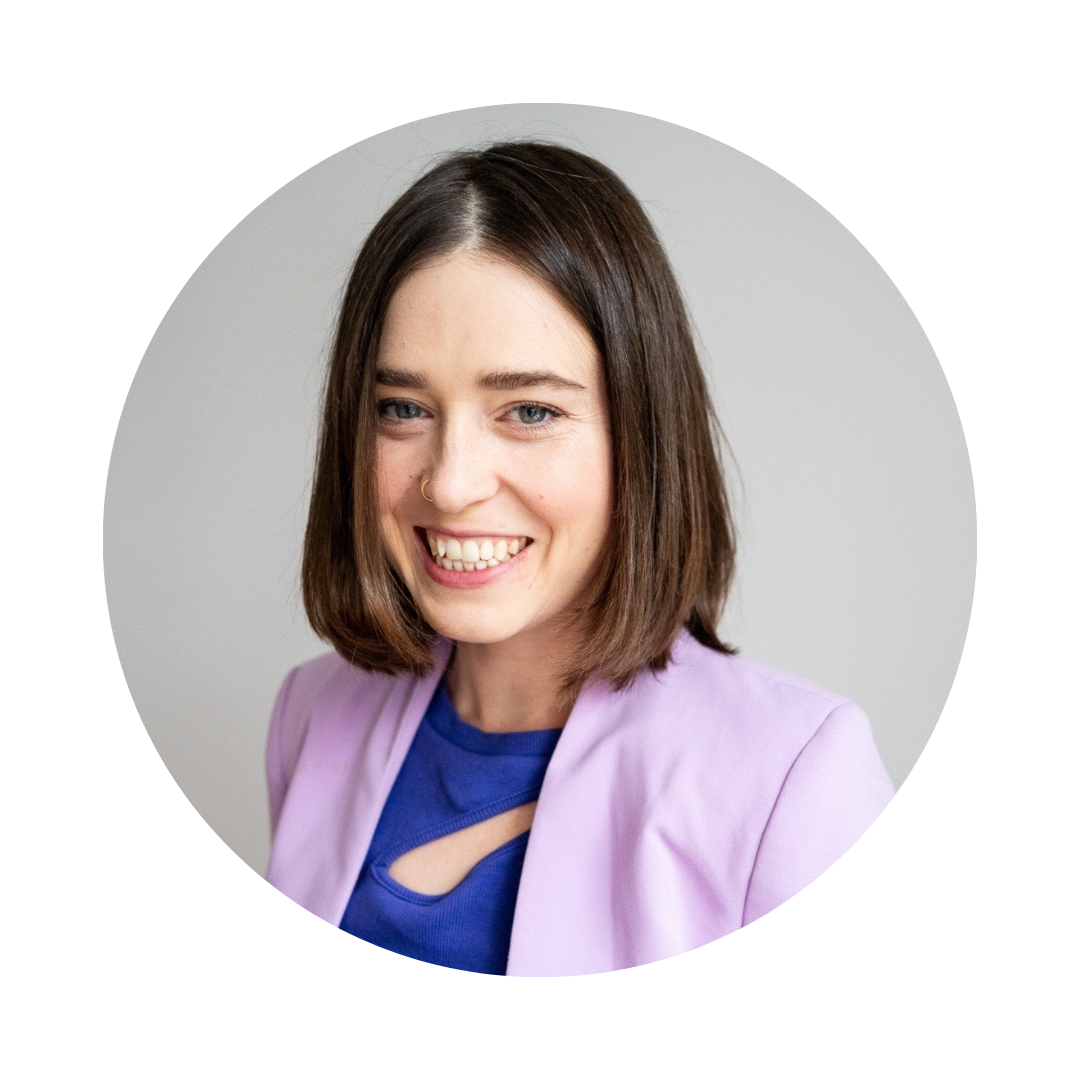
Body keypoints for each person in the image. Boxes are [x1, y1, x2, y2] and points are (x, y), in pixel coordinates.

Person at [265, 141, 894, 976]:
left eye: (529, 411)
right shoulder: (311, 712)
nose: (450, 483)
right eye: (403, 408)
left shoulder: (795, 776)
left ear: (643, 436)